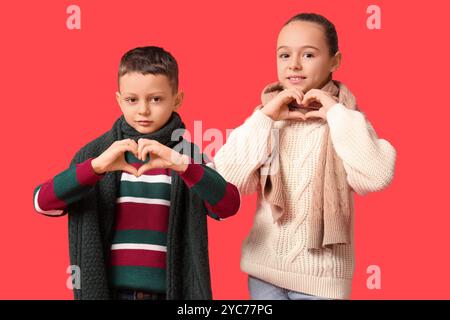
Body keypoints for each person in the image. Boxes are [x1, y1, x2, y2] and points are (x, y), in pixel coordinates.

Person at [33, 46, 240, 300]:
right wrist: (96, 168)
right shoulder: (97, 154)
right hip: (112, 294)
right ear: (119, 100)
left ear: (177, 99)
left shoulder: (187, 157)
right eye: (132, 100)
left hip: (171, 293)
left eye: (156, 99)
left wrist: (183, 165)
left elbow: (228, 206)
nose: (143, 110)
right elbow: (42, 202)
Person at [213, 13, 396, 300]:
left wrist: (335, 112)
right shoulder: (266, 117)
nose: (294, 65)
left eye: (308, 54)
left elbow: (376, 177)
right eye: (284, 55)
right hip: (263, 274)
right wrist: (265, 117)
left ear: (334, 61)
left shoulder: (347, 120)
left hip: (321, 282)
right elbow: (225, 182)